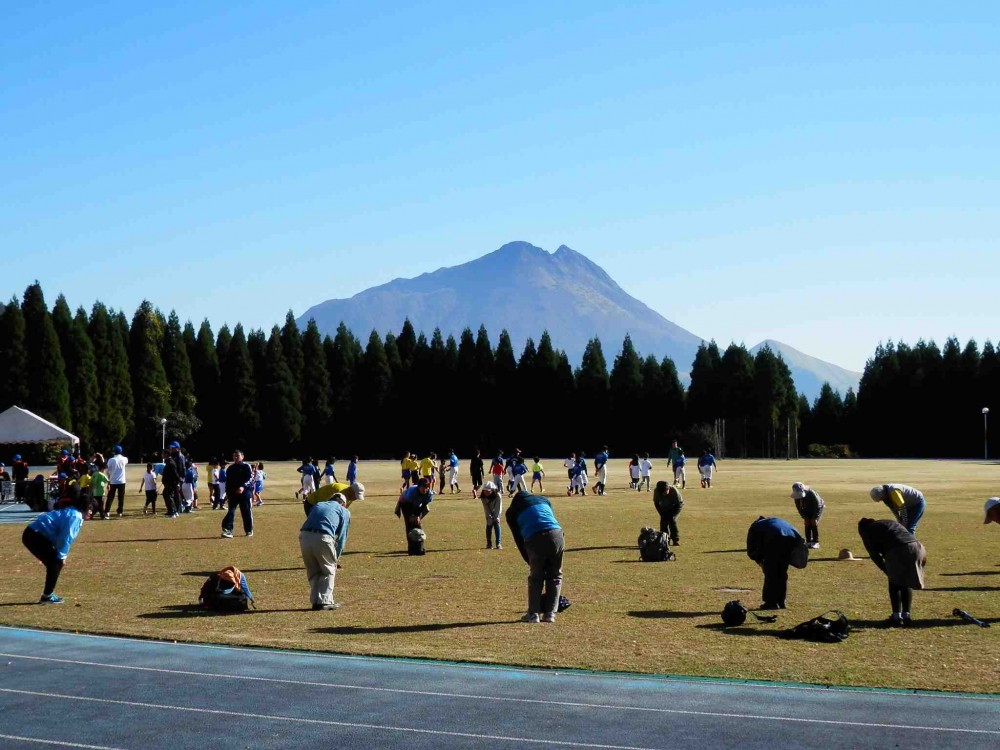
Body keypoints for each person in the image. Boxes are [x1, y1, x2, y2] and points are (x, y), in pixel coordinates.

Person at [22, 484, 92, 603]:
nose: (91, 512)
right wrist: (62, 556)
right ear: (84, 508)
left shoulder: (74, 513)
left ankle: (48, 594)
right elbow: (65, 538)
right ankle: (47, 596)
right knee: (55, 562)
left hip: (34, 534)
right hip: (34, 535)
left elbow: (62, 537)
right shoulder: (75, 516)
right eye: (90, 509)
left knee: (54, 562)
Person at [505, 491, 564, 624]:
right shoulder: (544, 499)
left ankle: (533, 614)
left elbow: (518, 538)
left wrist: (528, 559)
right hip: (557, 534)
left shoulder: (512, 511)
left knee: (536, 577)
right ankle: (550, 614)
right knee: (555, 575)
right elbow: (550, 518)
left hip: (534, 537)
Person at [858, 517, 927, 627]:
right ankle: (906, 616)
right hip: (917, 547)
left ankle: (896, 618)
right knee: (906, 581)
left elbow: (874, 556)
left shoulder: (868, 531)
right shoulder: (886, 522)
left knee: (894, 584)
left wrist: (887, 571)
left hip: (899, 549)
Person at [300, 491, 351, 611]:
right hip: (323, 537)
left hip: (304, 535)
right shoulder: (344, 511)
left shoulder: (318, 505)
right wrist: (336, 557)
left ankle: (315, 601)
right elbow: (342, 536)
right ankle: (325, 601)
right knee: (328, 569)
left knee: (313, 570)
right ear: (343, 504)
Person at [746, 516, 809, 610]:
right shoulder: (773, 521)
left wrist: (761, 563)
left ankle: (771, 603)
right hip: (793, 539)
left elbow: (751, 550)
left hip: (775, 539)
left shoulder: (755, 527)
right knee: (781, 571)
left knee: (771, 573)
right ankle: (781, 601)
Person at [221, 449, 255, 538]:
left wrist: (243, 487)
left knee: (246, 512)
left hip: (245, 494)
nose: (235, 458)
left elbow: (251, 479)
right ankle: (228, 530)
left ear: (242, 456)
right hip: (233, 494)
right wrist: (227, 493)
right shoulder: (230, 468)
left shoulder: (247, 466)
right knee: (231, 511)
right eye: (234, 456)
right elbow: (228, 482)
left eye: (237, 456)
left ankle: (249, 530)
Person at [395, 477, 433, 549]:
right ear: (418, 487)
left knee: (418, 524)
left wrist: (418, 516)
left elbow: (424, 505)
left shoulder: (429, 493)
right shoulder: (412, 492)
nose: (425, 489)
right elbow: (408, 506)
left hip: (417, 504)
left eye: (427, 487)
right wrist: (412, 516)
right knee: (409, 524)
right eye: (423, 487)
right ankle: (411, 546)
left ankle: (419, 546)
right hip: (405, 504)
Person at [791, 482, 824, 549]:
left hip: (817, 508)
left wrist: (815, 517)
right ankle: (808, 541)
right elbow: (799, 507)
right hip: (806, 508)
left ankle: (815, 542)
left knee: (813, 522)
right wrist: (804, 516)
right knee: (807, 522)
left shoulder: (812, 493)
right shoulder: (796, 496)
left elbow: (818, 505)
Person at [652, 480, 683, 546]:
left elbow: (679, 504)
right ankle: (664, 540)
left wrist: (672, 515)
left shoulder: (674, 491)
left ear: (668, 488)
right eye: (662, 493)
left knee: (672, 520)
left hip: (675, 506)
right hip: (664, 507)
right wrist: (661, 514)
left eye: (665, 492)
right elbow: (656, 504)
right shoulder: (657, 491)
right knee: (663, 522)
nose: (663, 494)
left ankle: (675, 540)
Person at [105, 445, 128, 517]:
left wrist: (109, 479)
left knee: (110, 497)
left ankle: (107, 511)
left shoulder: (111, 460)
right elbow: (126, 461)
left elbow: (108, 470)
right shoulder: (124, 459)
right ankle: (120, 512)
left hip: (113, 481)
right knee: (121, 498)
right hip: (122, 481)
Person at [480, 481, 503, 550]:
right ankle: (489, 544)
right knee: (489, 523)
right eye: (485, 491)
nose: (486, 492)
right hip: (489, 511)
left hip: (496, 510)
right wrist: (489, 516)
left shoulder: (498, 496)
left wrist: (496, 517)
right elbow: (486, 507)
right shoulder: (483, 496)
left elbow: (498, 507)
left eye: (488, 491)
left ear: (492, 490)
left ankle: (498, 544)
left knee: (496, 523)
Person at [159, 449, 182, 518]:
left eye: (163, 453)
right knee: (166, 494)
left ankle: (173, 512)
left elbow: (175, 474)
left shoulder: (170, 463)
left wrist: (176, 482)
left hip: (171, 483)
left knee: (169, 496)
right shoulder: (168, 462)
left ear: (166, 454)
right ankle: (171, 511)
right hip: (168, 483)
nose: (162, 455)